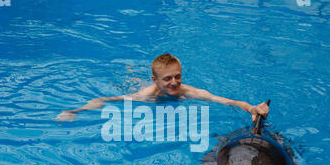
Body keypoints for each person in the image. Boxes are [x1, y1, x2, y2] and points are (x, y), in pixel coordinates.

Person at [54, 53, 269, 122]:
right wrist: (74, 111)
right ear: (156, 80)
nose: (174, 82)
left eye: (178, 77)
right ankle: (132, 72)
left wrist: (252, 109)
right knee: (132, 83)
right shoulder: (145, 96)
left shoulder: (189, 92)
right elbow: (104, 101)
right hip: (142, 89)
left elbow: (227, 101)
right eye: (167, 79)